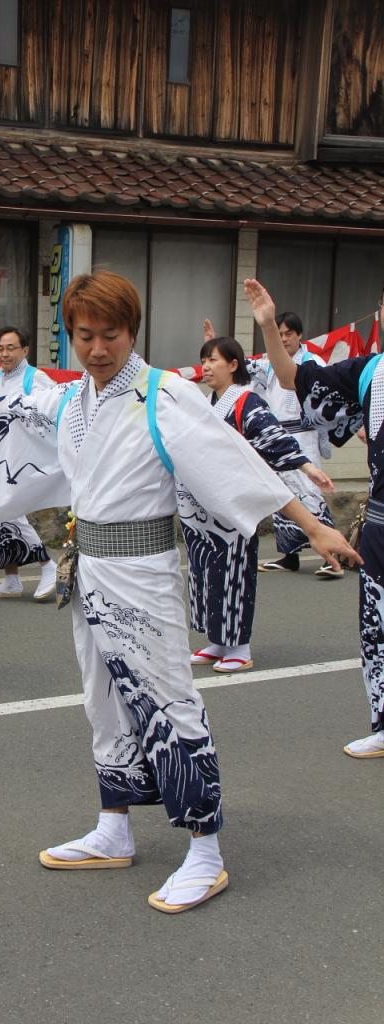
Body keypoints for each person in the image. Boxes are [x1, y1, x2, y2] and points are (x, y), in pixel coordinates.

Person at [0, 272, 357, 913]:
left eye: (110, 334)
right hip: (90, 571)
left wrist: (313, 526)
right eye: (85, 335)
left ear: (131, 331)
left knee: (168, 700)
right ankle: (115, 825)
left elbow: (230, 458)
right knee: (103, 696)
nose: (98, 347)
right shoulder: (71, 400)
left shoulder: (162, 395)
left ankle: (205, 849)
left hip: (144, 571)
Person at [245, 277, 384, 759]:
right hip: (383, 524)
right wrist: (266, 325)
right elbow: (294, 381)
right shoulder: (370, 372)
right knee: (377, 626)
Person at [184, 336, 334, 672]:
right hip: (205, 507)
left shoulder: (246, 401)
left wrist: (306, 466)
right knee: (206, 573)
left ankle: (240, 644)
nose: (206, 367)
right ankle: (218, 640)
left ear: (233, 365)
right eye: (204, 360)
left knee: (234, 573)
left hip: (235, 506)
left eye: (214, 360)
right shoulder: (208, 403)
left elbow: (274, 437)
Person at [0, 326, 57, 601]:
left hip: (25, 458)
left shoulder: (37, 379)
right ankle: (11, 578)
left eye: (10, 348)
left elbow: (52, 414)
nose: (4, 354)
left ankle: (48, 565)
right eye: (0, 348)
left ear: (25, 350)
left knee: (7, 511)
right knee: (0, 516)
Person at [250, 312, 341, 578]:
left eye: (289, 333)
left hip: (304, 434)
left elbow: (327, 395)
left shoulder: (312, 362)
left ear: (299, 335)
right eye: (279, 334)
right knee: (282, 493)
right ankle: (290, 556)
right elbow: (242, 374)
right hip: (278, 434)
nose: (284, 338)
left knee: (309, 491)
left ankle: (331, 554)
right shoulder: (267, 363)